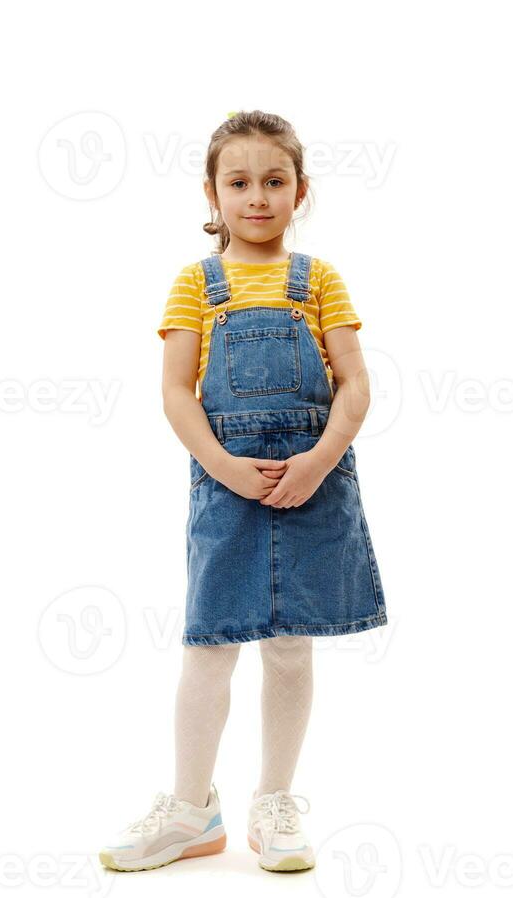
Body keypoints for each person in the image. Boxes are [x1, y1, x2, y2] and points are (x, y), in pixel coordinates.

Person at [99, 109, 388, 875]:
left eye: (274, 180)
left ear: (301, 192)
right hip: (226, 486)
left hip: (312, 482)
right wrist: (223, 466)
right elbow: (174, 391)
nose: (257, 196)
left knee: (290, 645)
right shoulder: (196, 283)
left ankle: (274, 802)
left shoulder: (318, 279)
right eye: (239, 182)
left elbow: (355, 383)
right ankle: (192, 809)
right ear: (211, 193)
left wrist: (320, 461)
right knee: (211, 644)